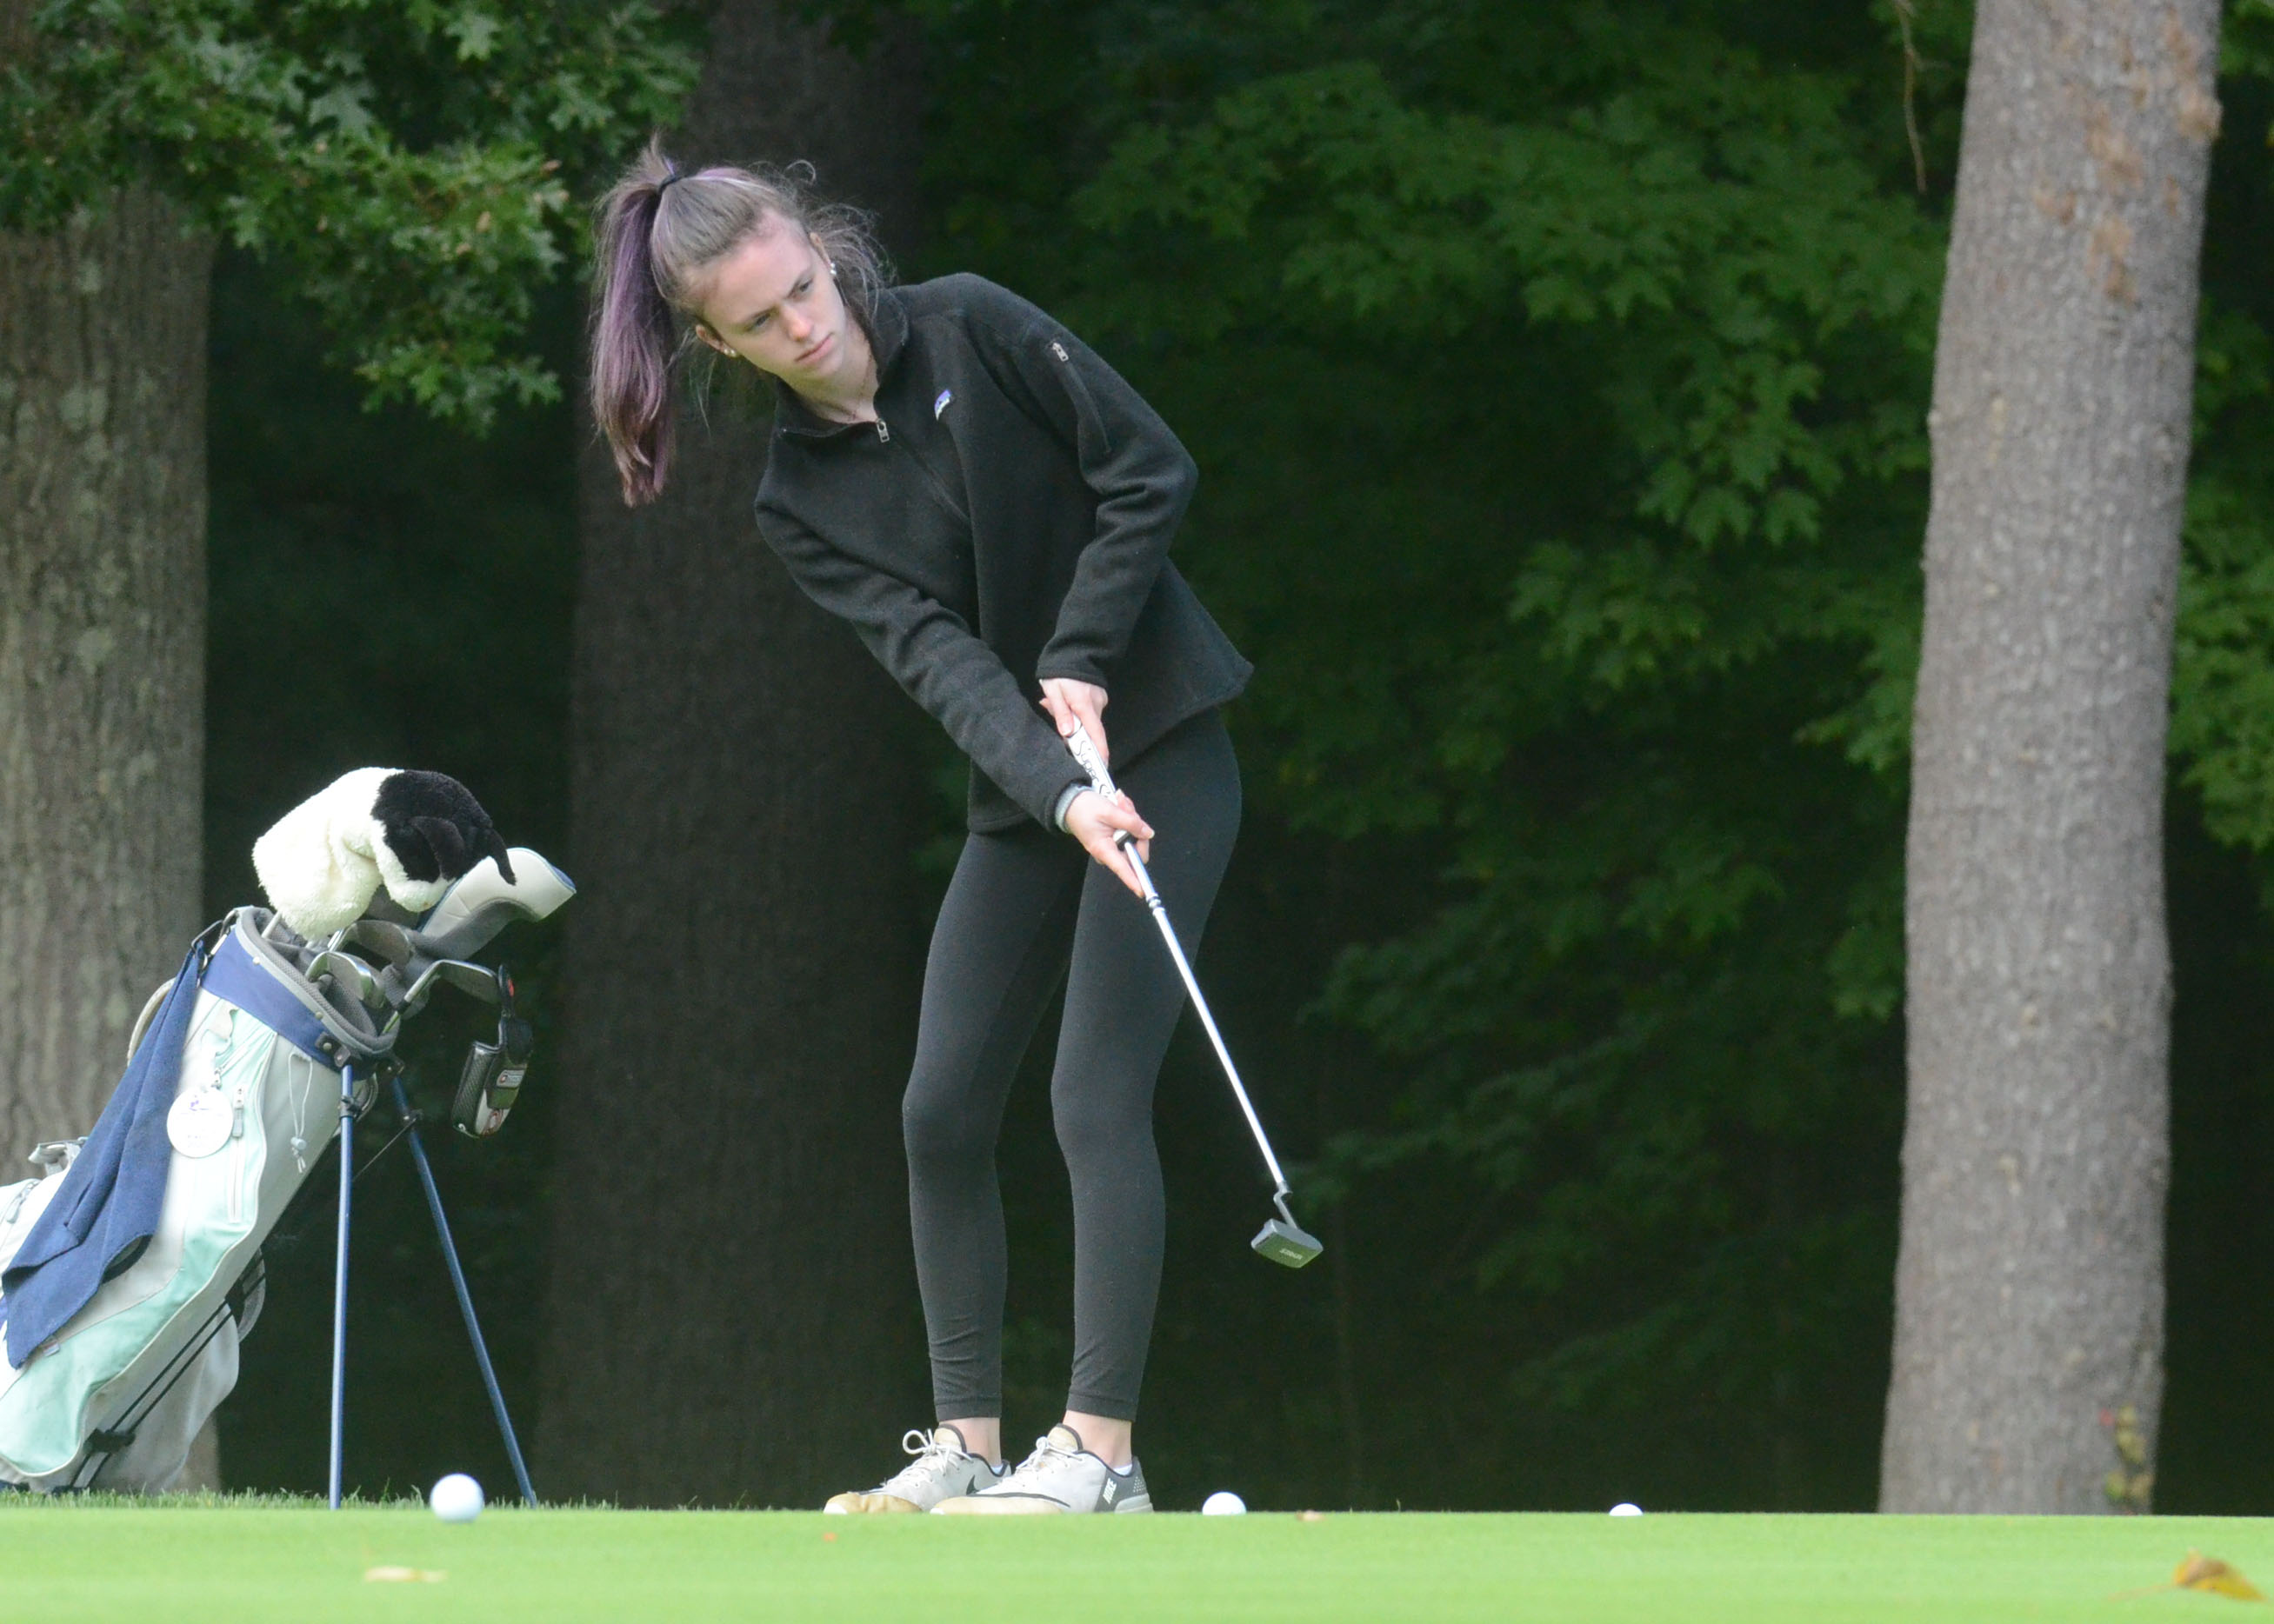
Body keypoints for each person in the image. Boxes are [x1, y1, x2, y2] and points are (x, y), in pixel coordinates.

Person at [589, 140, 1250, 1515]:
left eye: (807, 286)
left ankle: (1103, 1455)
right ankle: (966, 1445)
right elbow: (939, 659)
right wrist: (1060, 790)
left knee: (1092, 1093)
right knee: (940, 1106)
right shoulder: (799, 502)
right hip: (1035, 792)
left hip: (1169, 748)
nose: (806, 325)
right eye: (762, 322)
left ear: (821, 248)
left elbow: (1149, 471)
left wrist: (1083, 650)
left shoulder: (971, 321)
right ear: (717, 340)